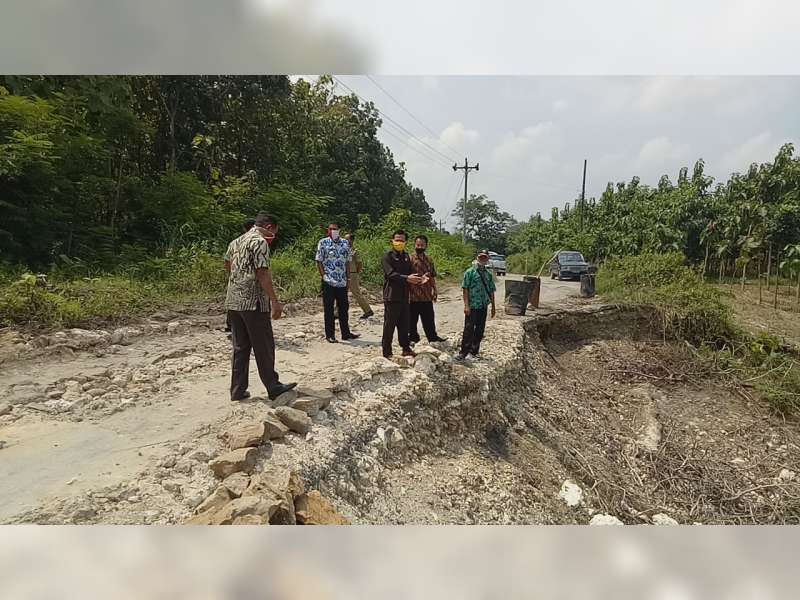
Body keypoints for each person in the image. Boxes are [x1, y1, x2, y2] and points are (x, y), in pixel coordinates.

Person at [225, 212, 296, 401]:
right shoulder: (260, 242)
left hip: (233, 300)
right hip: (253, 301)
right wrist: (275, 301)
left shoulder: (236, 241)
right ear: (270, 227)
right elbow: (262, 273)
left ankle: (237, 390)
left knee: (240, 346)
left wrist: (239, 279)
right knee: (263, 344)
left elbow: (228, 265)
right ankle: (272, 385)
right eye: (275, 232)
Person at [382, 229, 428, 358]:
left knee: (404, 324)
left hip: (405, 295)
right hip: (391, 295)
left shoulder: (407, 256)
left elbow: (411, 272)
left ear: (405, 242)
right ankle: (387, 352)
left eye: (401, 240)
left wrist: (420, 278)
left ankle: (406, 348)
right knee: (389, 325)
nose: (399, 242)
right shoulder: (387, 256)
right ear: (392, 241)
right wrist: (407, 278)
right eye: (397, 240)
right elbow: (390, 274)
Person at [316, 223, 360, 343]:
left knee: (344, 308)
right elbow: (319, 261)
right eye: (331, 229)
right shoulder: (323, 242)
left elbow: (347, 262)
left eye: (335, 229)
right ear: (327, 231)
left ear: (339, 230)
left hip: (342, 281)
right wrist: (323, 276)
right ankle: (330, 335)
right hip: (328, 281)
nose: (333, 231)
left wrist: (348, 278)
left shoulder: (345, 243)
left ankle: (346, 333)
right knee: (329, 309)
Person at [456, 249, 496, 361]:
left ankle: (474, 351)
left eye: (485, 257)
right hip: (473, 305)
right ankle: (463, 352)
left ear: (488, 259)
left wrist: (493, 307)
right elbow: (465, 289)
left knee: (480, 329)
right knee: (469, 328)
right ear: (477, 257)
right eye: (481, 257)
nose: (483, 259)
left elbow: (492, 291)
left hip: (483, 306)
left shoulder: (488, 275)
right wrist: (466, 305)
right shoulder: (470, 272)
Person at [408, 234, 447, 344]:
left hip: (426, 295)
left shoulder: (429, 260)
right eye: (418, 244)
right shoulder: (409, 259)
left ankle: (432, 337)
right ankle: (413, 338)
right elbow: (405, 277)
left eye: (422, 245)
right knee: (411, 320)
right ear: (414, 245)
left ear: (426, 246)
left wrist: (434, 289)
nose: (420, 247)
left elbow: (432, 276)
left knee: (429, 319)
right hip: (412, 296)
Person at [224, 218, 256, 337]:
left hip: (236, 278)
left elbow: (227, 261)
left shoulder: (234, 242)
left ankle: (232, 326)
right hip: (249, 280)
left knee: (233, 302)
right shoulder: (256, 242)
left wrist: (232, 273)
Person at [345, 232, 374, 319]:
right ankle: (336, 313)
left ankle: (368, 310)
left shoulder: (355, 251)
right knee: (341, 293)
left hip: (352, 274)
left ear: (352, 240)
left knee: (356, 293)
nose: (345, 241)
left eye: (347, 239)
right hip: (344, 274)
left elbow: (359, 264)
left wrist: (355, 272)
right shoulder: (344, 250)